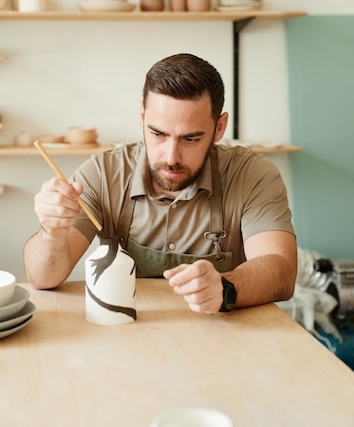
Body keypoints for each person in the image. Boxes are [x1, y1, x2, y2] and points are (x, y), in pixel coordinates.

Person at [24, 53, 297, 314]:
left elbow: (282, 270)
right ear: (142, 118)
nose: (171, 157)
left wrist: (226, 287)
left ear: (219, 128)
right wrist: (52, 233)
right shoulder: (102, 174)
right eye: (157, 134)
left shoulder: (252, 175)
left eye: (190, 138)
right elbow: (42, 279)